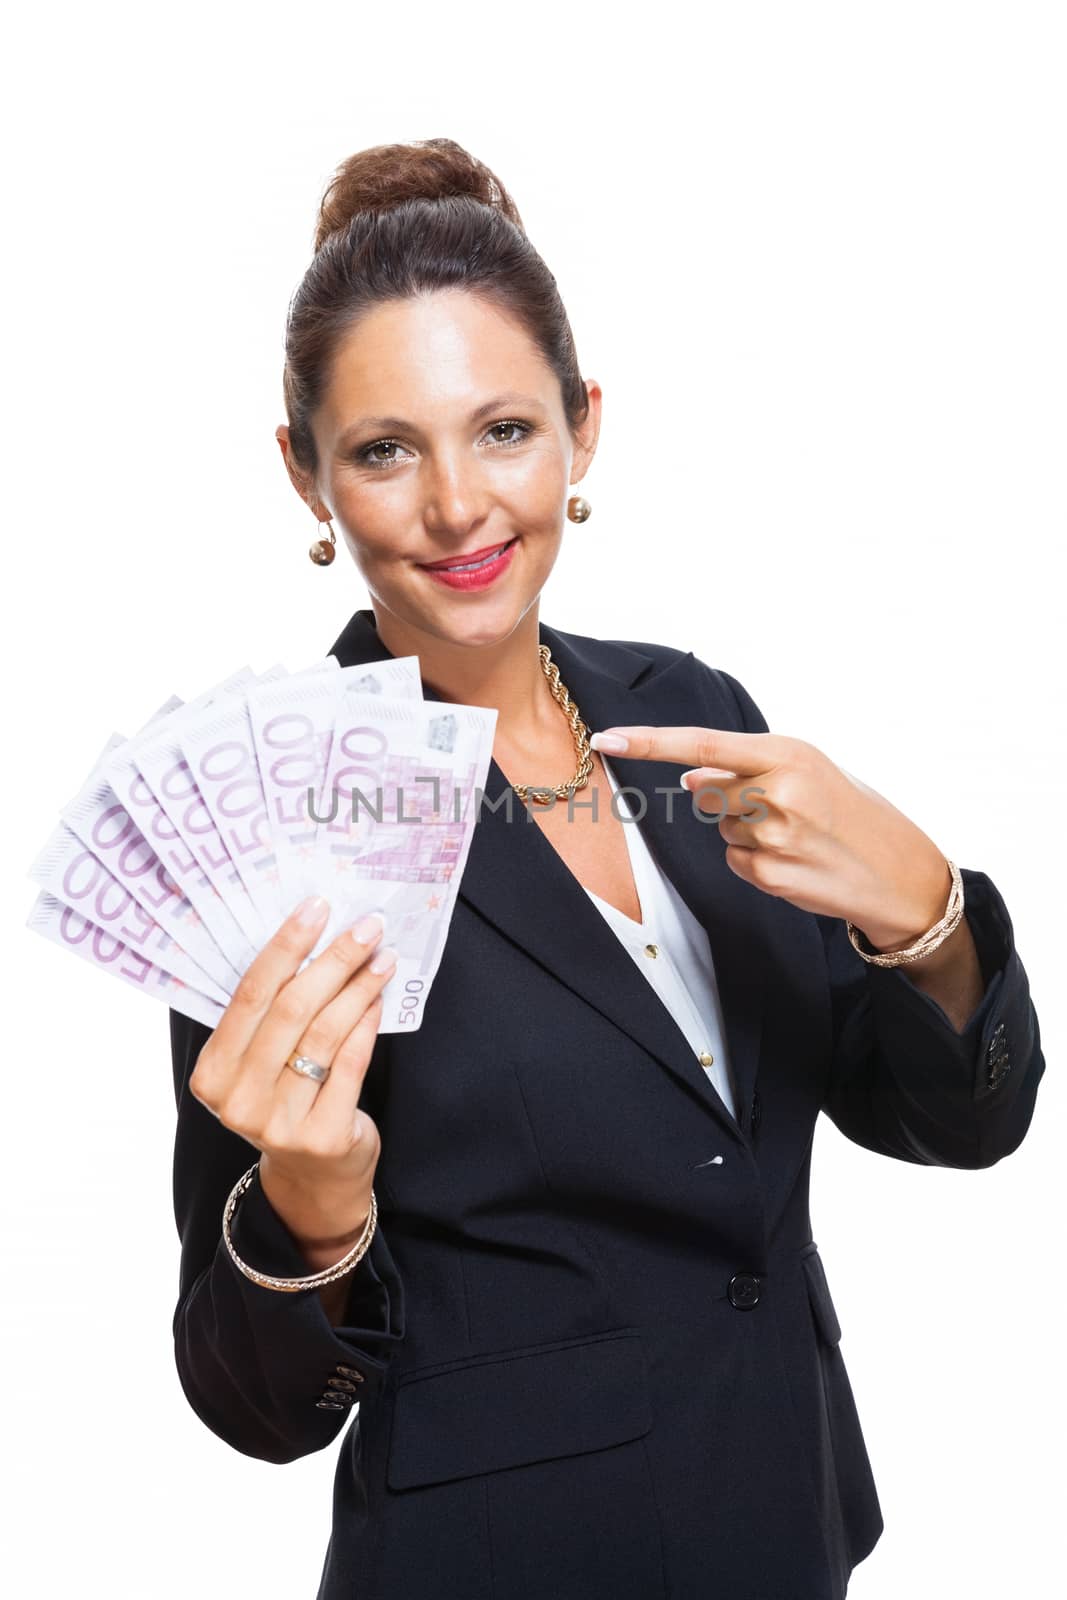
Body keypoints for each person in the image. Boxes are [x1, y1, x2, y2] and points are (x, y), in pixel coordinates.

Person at [168, 138, 1046, 1600]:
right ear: (306, 477)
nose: (458, 506)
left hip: (789, 1526)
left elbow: (960, 1125)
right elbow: (247, 1403)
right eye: (386, 449)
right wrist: (310, 1212)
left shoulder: (686, 708)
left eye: (502, 429)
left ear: (582, 431)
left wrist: (928, 916)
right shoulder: (279, 819)